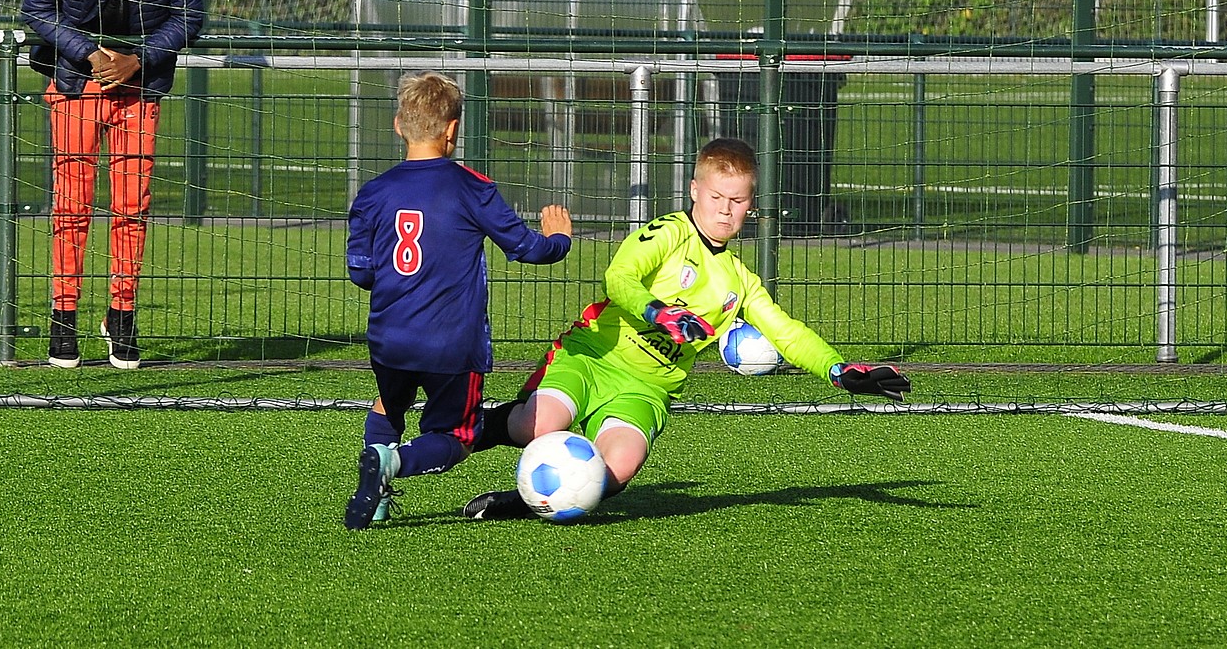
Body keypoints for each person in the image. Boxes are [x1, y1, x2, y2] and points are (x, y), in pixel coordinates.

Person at [463, 137, 911, 520]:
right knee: (536, 426)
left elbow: (785, 331)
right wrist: (658, 312)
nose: (724, 210)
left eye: (736, 202)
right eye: (716, 197)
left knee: (615, 469)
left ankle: (524, 502)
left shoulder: (739, 280)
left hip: (647, 389)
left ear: (750, 206)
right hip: (593, 357)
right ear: (695, 190)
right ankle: (455, 432)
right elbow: (618, 278)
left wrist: (836, 370)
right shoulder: (669, 233)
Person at [343, 71, 574, 530]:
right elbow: (526, 249)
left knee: (388, 405)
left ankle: (379, 495)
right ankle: (393, 466)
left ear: (398, 125)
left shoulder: (372, 193)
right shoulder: (472, 187)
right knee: (456, 436)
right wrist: (559, 239)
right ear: (451, 131)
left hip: (390, 339)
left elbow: (361, 272)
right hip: (452, 344)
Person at [21, 0, 205, 369]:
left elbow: (189, 17)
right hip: (75, 86)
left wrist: (137, 59)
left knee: (132, 204)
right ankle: (63, 316)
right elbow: (36, 10)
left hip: (140, 90)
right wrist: (88, 54)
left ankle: (121, 314)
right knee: (72, 205)